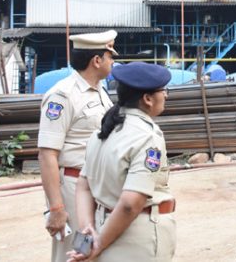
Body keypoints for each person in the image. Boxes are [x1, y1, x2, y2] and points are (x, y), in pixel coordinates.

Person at [67, 62, 175, 262]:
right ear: (148, 99)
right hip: (136, 236)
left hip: (103, 227)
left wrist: (88, 231)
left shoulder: (102, 133)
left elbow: (83, 186)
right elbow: (130, 204)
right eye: (163, 91)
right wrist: (98, 245)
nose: (166, 95)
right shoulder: (147, 136)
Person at [38, 30, 118, 262]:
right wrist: (56, 208)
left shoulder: (100, 91)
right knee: (74, 254)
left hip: (96, 186)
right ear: (96, 60)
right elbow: (47, 154)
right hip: (73, 187)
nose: (113, 62)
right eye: (110, 56)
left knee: (94, 252)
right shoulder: (62, 96)